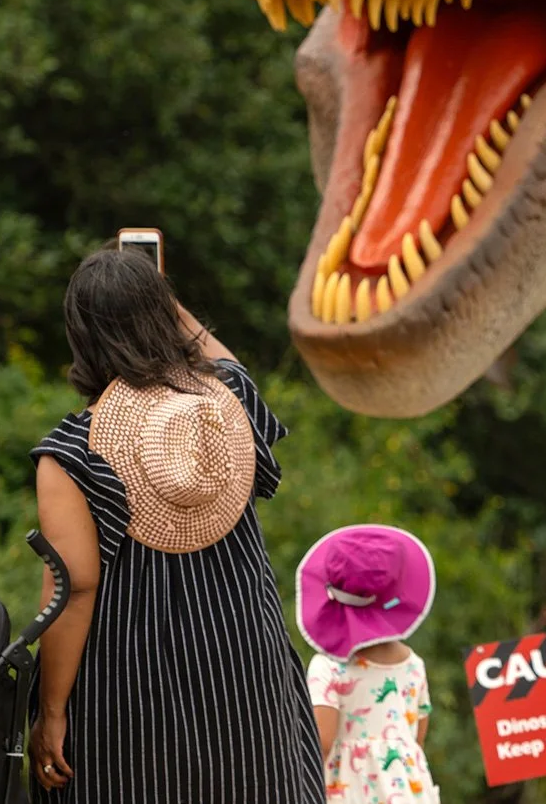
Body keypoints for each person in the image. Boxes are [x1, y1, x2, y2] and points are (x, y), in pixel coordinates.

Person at [27, 247, 326, 803]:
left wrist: (52, 711)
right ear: (165, 315)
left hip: (130, 689)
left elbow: (74, 590)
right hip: (245, 669)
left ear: (81, 335)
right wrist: (162, 299)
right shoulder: (226, 407)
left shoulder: (71, 453)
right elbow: (225, 361)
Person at [296, 525, 440, 803]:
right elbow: (416, 737)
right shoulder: (413, 665)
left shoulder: (328, 666)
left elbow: (322, 742)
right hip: (409, 792)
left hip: (351, 792)